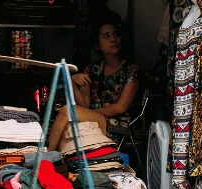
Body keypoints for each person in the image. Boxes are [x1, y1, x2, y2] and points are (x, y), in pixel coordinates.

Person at [49, 16, 140, 152]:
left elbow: (120, 107)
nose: (113, 39)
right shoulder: (92, 69)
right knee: (68, 127)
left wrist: (86, 114)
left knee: (67, 111)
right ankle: (66, 168)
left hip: (117, 125)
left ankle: (47, 155)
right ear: (97, 45)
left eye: (116, 35)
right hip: (93, 121)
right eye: (106, 36)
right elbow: (84, 104)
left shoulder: (131, 70)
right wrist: (72, 82)